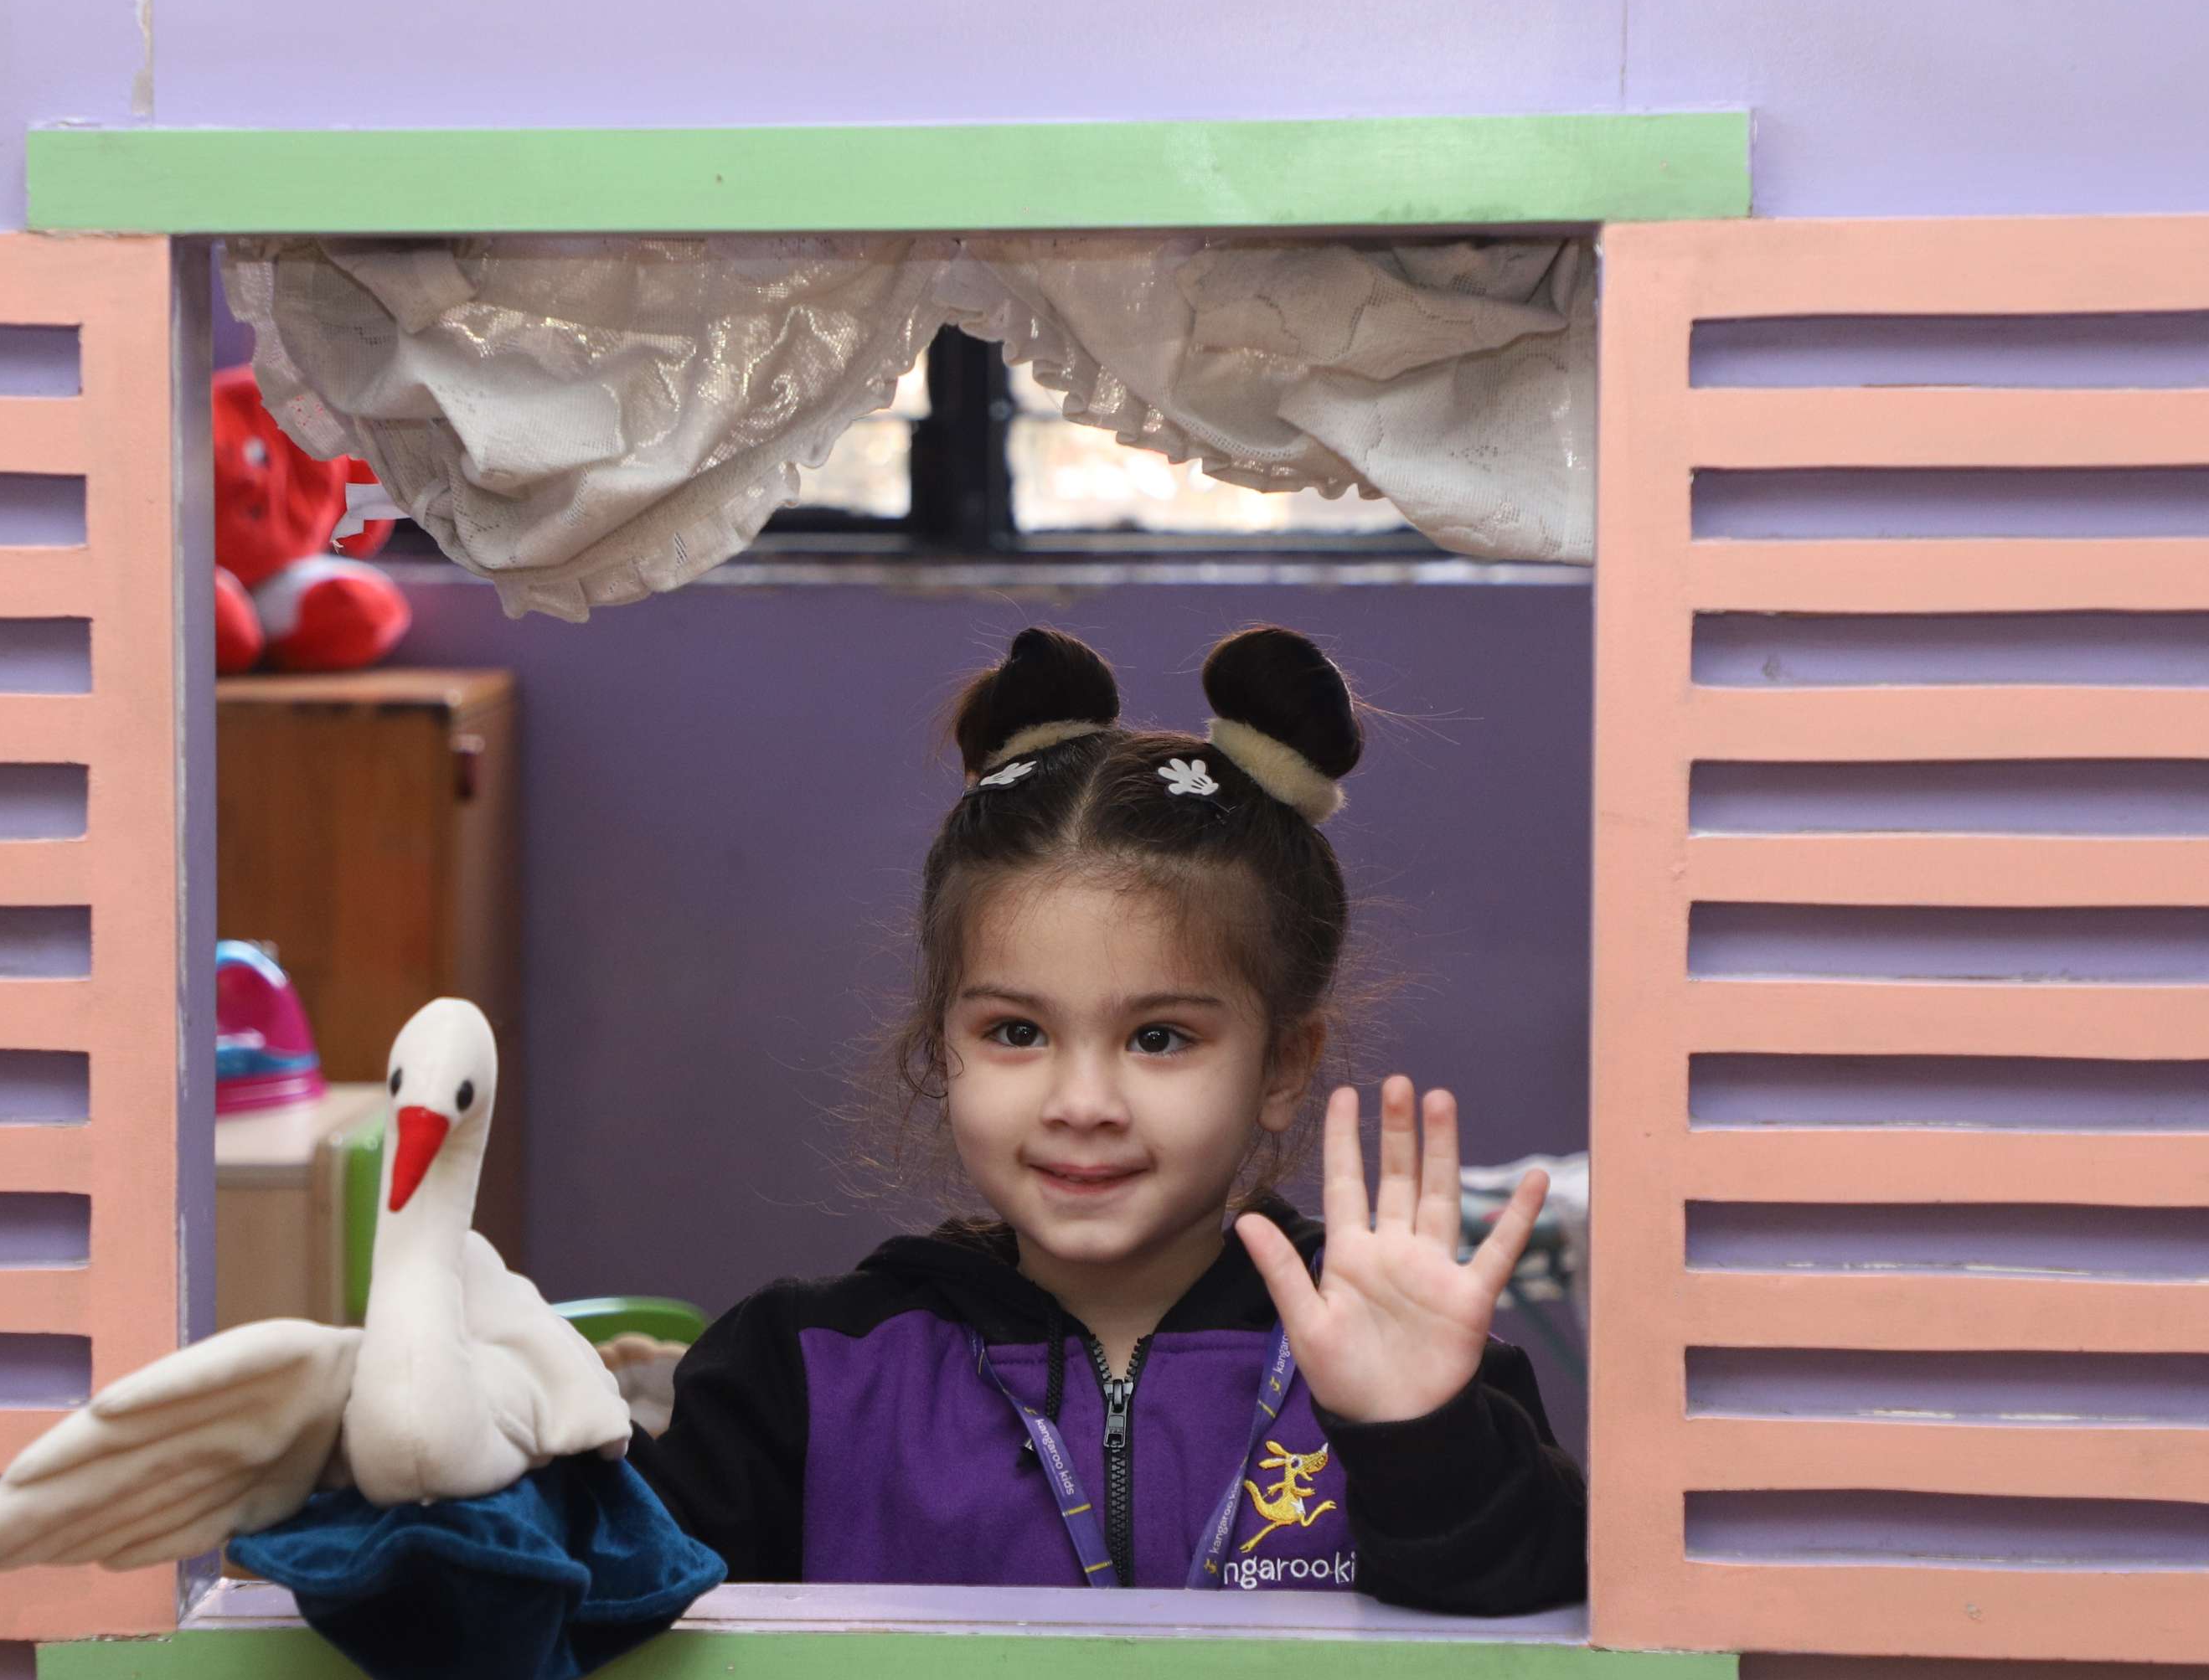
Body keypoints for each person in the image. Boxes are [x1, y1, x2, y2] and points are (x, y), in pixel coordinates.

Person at [625, 625, 1587, 1613]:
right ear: (939, 1043)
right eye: (1016, 1032)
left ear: (1281, 1066)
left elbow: (1549, 1637)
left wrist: (1417, 1436)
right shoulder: (803, 1370)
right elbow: (607, 1605)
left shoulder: (1398, 1353)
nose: (1082, 1105)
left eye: (1158, 1039)